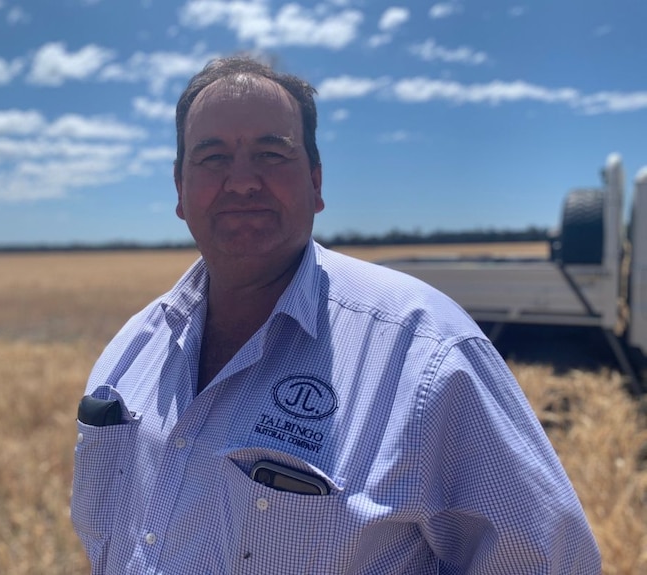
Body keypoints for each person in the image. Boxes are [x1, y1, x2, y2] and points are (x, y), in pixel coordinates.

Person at [70, 55, 602, 574]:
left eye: (272, 154)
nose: (241, 182)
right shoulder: (132, 350)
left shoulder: (425, 353)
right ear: (180, 190)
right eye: (211, 158)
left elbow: (550, 560)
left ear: (317, 183)